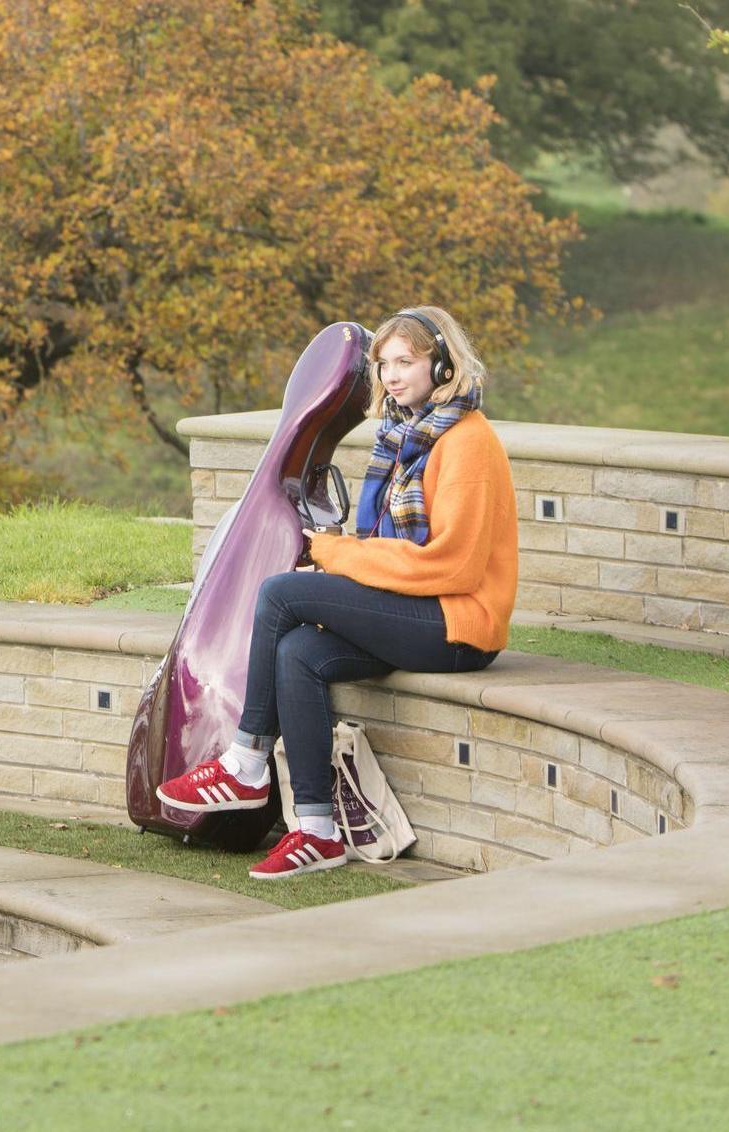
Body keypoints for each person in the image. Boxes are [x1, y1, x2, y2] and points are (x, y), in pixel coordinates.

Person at [154, 306, 520, 879]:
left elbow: (453, 565)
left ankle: (247, 763)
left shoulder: (467, 442)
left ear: (442, 363)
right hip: (417, 612)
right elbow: (388, 546)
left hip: (457, 625)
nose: (393, 376)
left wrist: (334, 553)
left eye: (407, 362)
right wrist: (338, 552)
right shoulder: (405, 437)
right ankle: (318, 831)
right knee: (297, 651)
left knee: (280, 596)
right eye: (383, 365)